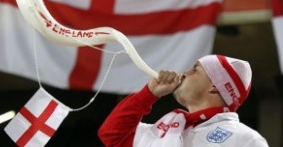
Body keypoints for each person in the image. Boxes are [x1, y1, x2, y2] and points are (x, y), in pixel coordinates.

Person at [98, 55, 269, 147]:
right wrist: (148, 93)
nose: (184, 73)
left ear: (215, 86)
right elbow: (112, 135)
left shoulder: (246, 140)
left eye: (195, 69)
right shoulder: (161, 132)